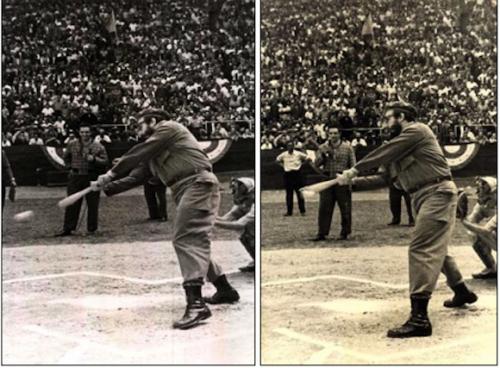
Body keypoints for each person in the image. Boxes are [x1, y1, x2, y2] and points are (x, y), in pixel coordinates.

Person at [335, 101, 477, 338]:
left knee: (421, 248)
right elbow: (384, 179)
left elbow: (384, 153)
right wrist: (351, 183)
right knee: (436, 248)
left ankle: (420, 318)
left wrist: (355, 169)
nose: (385, 123)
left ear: (402, 117)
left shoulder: (418, 130)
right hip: (421, 197)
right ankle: (461, 291)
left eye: (389, 118)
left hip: (437, 192)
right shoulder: (398, 151)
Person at [94, 108, 239, 330]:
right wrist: (106, 187)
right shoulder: (155, 150)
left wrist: (112, 172)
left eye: (140, 123)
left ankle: (196, 304)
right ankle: (225, 289)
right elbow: (138, 175)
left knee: (187, 239)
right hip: (184, 189)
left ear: (154, 120)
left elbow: (138, 153)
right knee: (193, 239)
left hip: (197, 183)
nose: (137, 128)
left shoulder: (169, 128)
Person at [56, 117, 109, 236]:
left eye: (87, 132)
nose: (84, 134)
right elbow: (66, 157)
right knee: (72, 202)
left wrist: (94, 159)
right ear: (79, 133)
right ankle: (68, 228)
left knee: (92, 204)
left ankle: (91, 229)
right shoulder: (72, 144)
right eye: (82, 132)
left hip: (91, 176)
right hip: (75, 176)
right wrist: (69, 167)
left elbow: (105, 161)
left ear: (91, 133)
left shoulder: (98, 146)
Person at [312, 127, 356, 241]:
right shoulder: (322, 147)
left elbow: (353, 165)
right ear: (328, 134)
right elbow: (316, 164)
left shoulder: (347, 148)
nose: (333, 135)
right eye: (331, 133)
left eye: (335, 133)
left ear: (339, 134)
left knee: (345, 208)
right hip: (327, 178)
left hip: (342, 179)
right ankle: (322, 232)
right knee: (324, 207)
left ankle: (345, 232)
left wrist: (350, 179)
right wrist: (322, 156)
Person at [214, 177, 255, 273]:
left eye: (237, 188)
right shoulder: (242, 203)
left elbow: (239, 225)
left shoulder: (255, 205)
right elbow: (226, 219)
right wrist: (208, 216)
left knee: (248, 234)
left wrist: (213, 222)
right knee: (244, 235)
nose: (234, 191)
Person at [462, 177, 497, 279]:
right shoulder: (482, 204)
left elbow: (486, 231)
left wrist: (463, 221)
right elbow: (472, 222)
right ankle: (491, 268)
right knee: (474, 234)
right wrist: (462, 214)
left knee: (482, 232)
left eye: (489, 196)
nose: (485, 197)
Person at [276, 141, 308, 216]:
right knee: (289, 194)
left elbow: (307, 158)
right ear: (287, 147)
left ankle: (302, 211)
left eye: (291, 146)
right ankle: (289, 211)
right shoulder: (284, 155)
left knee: (300, 193)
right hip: (288, 174)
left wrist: (301, 165)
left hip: (297, 174)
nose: (290, 148)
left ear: (293, 147)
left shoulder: (298, 154)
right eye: (288, 146)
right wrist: (283, 166)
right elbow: (277, 160)